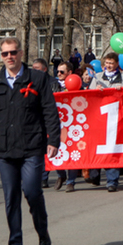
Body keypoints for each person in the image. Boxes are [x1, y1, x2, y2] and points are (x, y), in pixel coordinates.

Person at [0, 37, 60, 245]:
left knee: (31, 192)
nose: (9, 57)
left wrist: (54, 141)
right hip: (5, 148)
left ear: (21, 54)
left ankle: (42, 230)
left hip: (32, 146)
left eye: (13, 52)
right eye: (5, 54)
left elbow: (50, 111)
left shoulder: (38, 79)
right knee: (11, 198)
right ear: (1, 57)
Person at [89, 52, 123, 192]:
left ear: (117, 64)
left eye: (111, 63)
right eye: (107, 63)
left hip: (116, 120)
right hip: (99, 119)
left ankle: (112, 181)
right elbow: (89, 96)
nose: (109, 65)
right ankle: (94, 174)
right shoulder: (97, 78)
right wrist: (95, 90)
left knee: (112, 150)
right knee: (98, 148)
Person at [52, 62, 81, 192]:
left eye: (62, 72)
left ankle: (71, 181)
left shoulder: (78, 84)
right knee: (56, 150)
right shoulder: (53, 85)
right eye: (57, 71)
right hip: (56, 123)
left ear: (69, 73)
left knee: (73, 152)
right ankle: (61, 175)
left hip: (73, 123)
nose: (59, 74)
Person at [33, 58, 60, 188]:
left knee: (52, 148)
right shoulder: (30, 83)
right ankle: (42, 177)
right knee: (40, 150)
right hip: (36, 122)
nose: (34, 71)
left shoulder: (53, 83)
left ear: (44, 69)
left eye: (37, 69)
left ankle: (58, 174)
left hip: (50, 120)